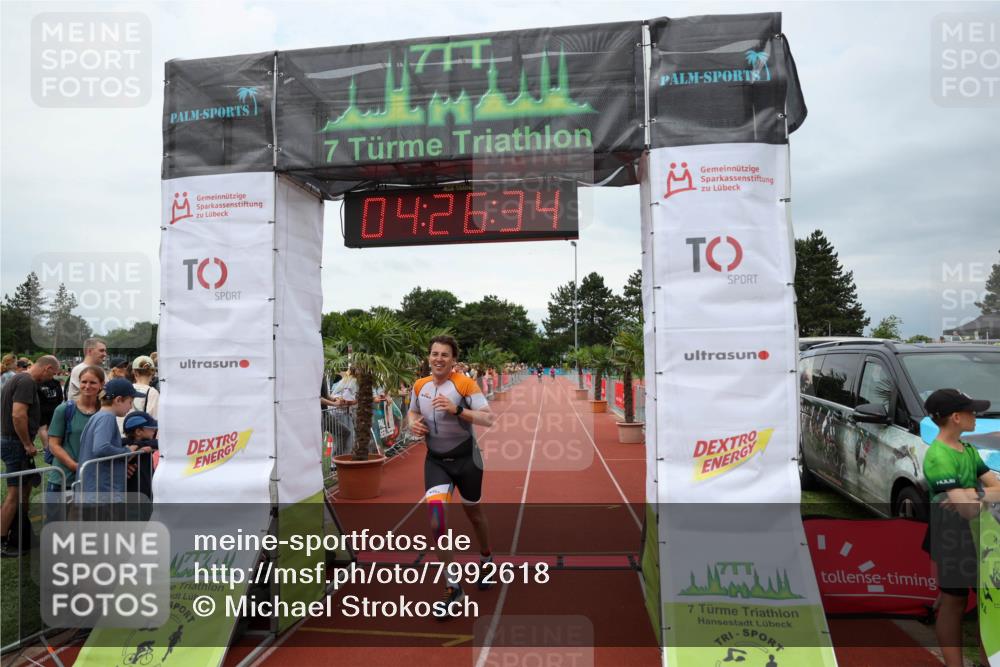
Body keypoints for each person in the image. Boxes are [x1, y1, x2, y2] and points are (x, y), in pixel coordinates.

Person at [407, 335, 495, 619]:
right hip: (436, 462)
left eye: (445, 355)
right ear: (429, 357)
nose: (438, 359)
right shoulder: (419, 385)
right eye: (434, 353)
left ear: (453, 360)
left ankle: (486, 558)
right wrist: (413, 425)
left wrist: (457, 409)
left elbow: (488, 418)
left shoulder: (464, 384)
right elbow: (411, 412)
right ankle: (453, 585)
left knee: (475, 516)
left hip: (467, 461)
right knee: (436, 520)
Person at [921, 388, 1000, 667]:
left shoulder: (968, 450)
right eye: (971, 412)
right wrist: (974, 497)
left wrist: (971, 493)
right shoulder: (938, 456)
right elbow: (965, 510)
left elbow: (994, 489)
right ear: (956, 417)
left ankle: (987, 661)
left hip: (983, 535)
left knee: (988, 605)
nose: (976, 416)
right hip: (952, 536)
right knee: (954, 602)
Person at [0, 355, 60, 555]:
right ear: (47, 368)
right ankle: (2, 540)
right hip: (15, 443)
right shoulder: (27, 381)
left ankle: (18, 534)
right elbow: (18, 414)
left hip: (12, 441)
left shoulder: (18, 378)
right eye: (53, 374)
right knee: (14, 494)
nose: (52, 378)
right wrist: (27, 443)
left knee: (22, 491)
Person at [77, 378, 149, 504]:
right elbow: (101, 448)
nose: (131, 407)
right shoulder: (107, 418)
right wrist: (127, 452)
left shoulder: (98, 416)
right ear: (118, 400)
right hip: (101, 492)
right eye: (130, 402)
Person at [46, 365, 105, 494]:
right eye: (84, 382)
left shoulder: (104, 413)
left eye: (92, 382)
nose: (87, 386)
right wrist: (75, 466)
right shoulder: (64, 409)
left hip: (93, 481)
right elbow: (53, 444)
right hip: (63, 480)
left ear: (101, 384)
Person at [123, 411, 158, 501]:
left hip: (147, 492)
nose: (154, 430)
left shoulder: (148, 443)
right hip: (132, 494)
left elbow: (157, 443)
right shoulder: (124, 444)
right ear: (138, 431)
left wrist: (139, 446)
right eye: (151, 428)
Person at [66, 337, 107, 402]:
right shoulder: (80, 369)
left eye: (105, 351)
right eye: (101, 350)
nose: (105, 354)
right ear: (90, 351)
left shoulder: (100, 370)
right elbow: (101, 393)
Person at [330, 368, 358, 455]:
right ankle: (338, 461)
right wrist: (357, 400)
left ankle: (338, 460)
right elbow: (346, 401)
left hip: (340, 412)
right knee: (346, 439)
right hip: (341, 413)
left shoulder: (346, 379)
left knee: (343, 438)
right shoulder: (352, 381)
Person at [37, 364, 65, 449]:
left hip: (42, 408)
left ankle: (46, 447)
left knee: (42, 428)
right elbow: (61, 397)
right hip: (54, 407)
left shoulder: (39, 383)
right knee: (51, 427)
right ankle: (51, 446)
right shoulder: (56, 383)